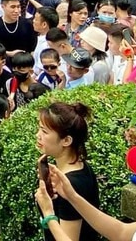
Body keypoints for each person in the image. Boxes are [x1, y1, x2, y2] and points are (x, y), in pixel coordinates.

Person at [35, 101, 100, 241]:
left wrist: (47, 213)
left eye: (44, 131)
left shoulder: (71, 185)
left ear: (66, 141)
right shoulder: (79, 167)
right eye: (39, 129)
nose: (38, 135)